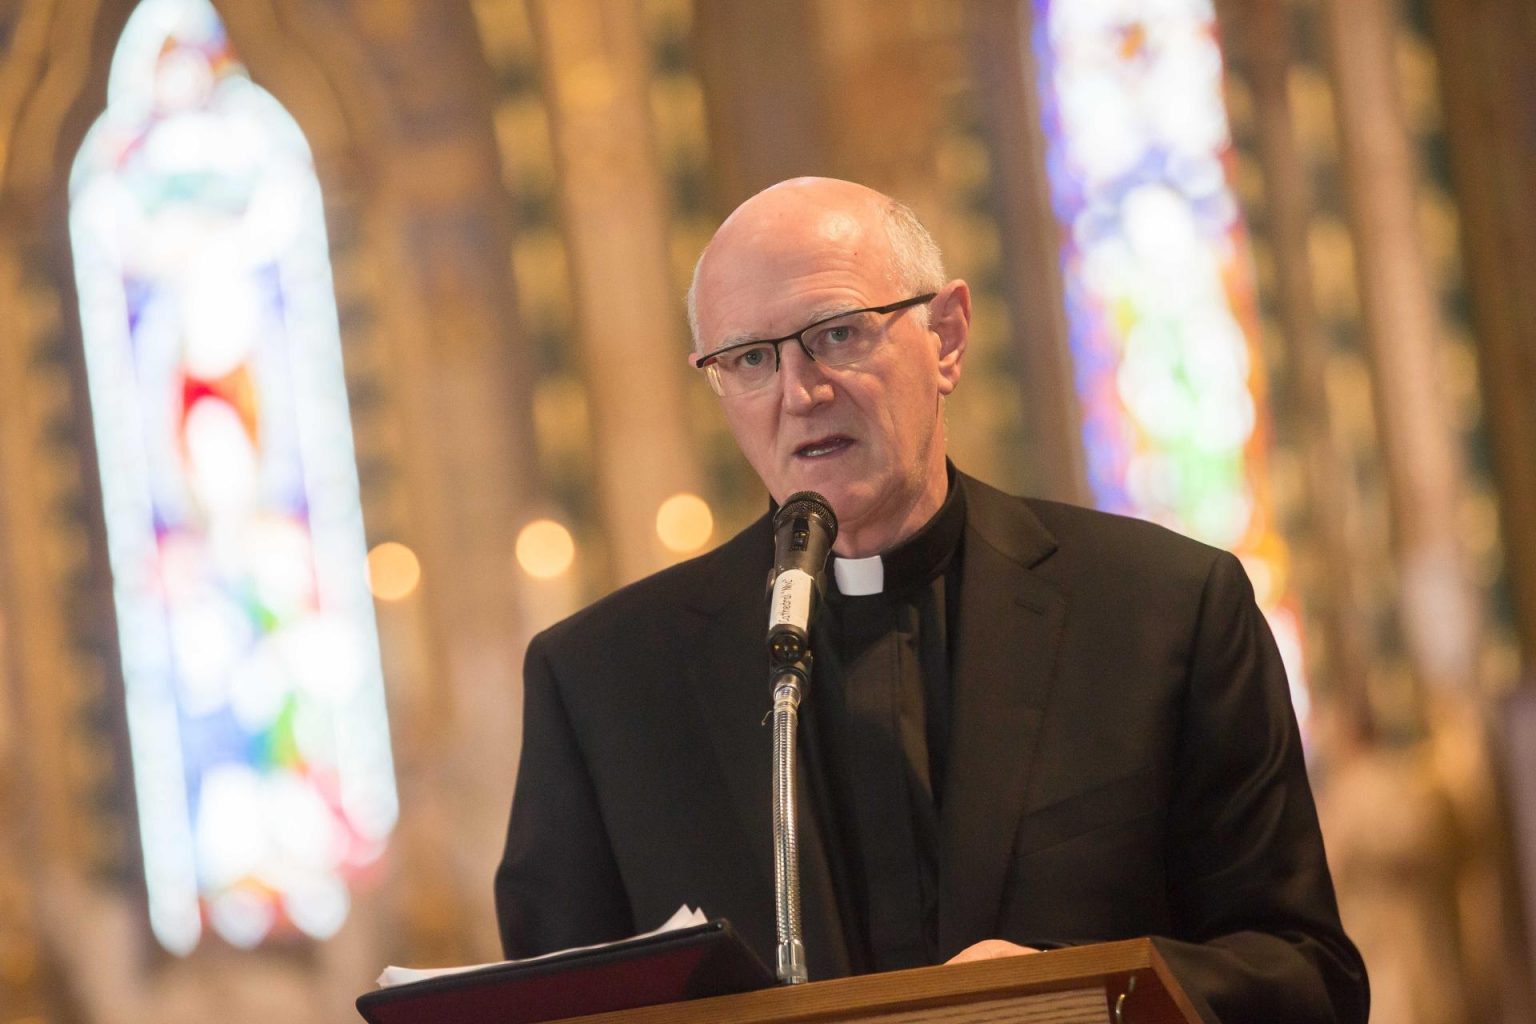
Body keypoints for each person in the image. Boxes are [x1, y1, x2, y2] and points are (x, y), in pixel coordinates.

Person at [495, 177, 1369, 1022]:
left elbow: (1306, 976)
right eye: (751, 359)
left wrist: (1081, 995)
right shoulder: (603, 685)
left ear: (946, 336)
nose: (801, 393)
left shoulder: (1165, 611)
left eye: (837, 334)